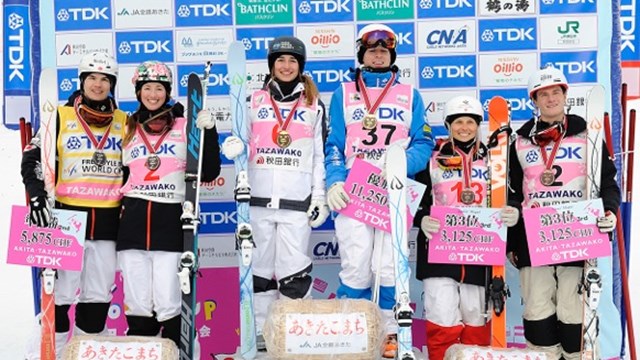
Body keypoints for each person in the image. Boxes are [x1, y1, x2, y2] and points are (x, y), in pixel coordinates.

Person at [324, 23, 434, 358]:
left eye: (384, 50)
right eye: (372, 50)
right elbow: (334, 143)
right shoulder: (343, 93)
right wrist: (334, 181)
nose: (378, 55)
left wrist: (400, 163)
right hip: (355, 189)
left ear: (392, 55)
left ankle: (391, 334)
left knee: (389, 266)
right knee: (356, 264)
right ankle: (355, 332)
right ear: (362, 54)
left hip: (392, 190)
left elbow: (425, 141)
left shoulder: (409, 93)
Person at [220, 36, 329, 351]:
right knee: (260, 275)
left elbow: (319, 156)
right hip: (257, 203)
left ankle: (294, 338)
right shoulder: (253, 100)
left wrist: (319, 196)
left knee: (294, 277)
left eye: (292, 61)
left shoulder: (313, 105)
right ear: (271, 65)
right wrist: (234, 146)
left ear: (301, 66)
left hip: (297, 205)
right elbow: (241, 142)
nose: (286, 66)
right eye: (280, 60)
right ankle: (261, 336)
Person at [506, 66, 620, 359]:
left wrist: (609, 210)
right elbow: (511, 195)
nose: (551, 98)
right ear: (535, 100)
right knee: (537, 311)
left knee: (574, 315)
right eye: (543, 94)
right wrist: (511, 241)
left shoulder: (588, 135)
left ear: (565, 95)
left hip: (576, 237)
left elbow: (607, 181)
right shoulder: (519, 142)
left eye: (556, 92)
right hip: (533, 239)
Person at [21, 52, 126, 359]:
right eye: (91, 78)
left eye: (105, 79)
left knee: (97, 297)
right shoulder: (60, 117)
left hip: (107, 221)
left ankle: (85, 353)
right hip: (65, 217)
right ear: (81, 82)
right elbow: (32, 157)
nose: (98, 84)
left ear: (112, 85)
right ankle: (51, 352)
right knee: (60, 296)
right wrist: (37, 194)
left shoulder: (124, 122)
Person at [116, 60, 220, 347]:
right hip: (132, 229)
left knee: (170, 306)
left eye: (159, 88)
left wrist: (208, 132)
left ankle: (182, 353)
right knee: (137, 307)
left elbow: (208, 172)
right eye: (147, 88)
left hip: (171, 227)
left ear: (167, 91)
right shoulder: (126, 127)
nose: (153, 94)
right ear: (138, 92)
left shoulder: (186, 124)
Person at [413, 95, 519, 360]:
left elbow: (513, 194)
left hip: (479, 257)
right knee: (441, 321)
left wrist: (512, 211)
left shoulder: (495, 159)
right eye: (458, 121)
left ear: (478, 125)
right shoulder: (431, 158)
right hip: (439, 253)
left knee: (476, 323)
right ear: (448, 125)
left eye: (470, 122)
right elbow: (412, 198)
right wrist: (421, 218)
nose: (464, 127)